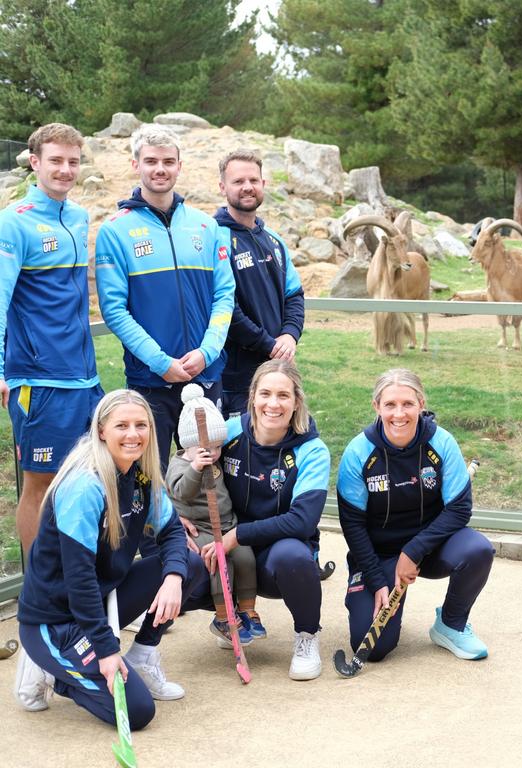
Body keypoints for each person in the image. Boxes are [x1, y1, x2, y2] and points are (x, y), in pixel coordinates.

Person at [13, 389, 205, 728]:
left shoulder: (142, 475)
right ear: (101, 430)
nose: (133, 435)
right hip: (56, 621)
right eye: (122, 426)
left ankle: (143, 654)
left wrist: (173, 579)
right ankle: (51, 671)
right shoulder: (85, 485)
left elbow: (174, 531)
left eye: (141, 425)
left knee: (190, 563)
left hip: (99, 601)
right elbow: (79, 579)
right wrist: (105, 650)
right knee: (138, 712)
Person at [95, 125, 235, 470]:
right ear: (136, 164)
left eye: (168, 161)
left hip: (206, 373)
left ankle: (196, 527)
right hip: (151, 380)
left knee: (207, 477)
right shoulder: (115, 230)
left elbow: (225, 294)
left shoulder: (206, 226)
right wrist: (160, 362)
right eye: (151, 161)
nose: (160, 168)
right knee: (149, 476)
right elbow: (114, 310)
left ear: (179, 166)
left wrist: (207, 352)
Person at [186, 359, 330, 680]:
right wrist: (178, 510)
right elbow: (185, 468)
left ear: (296, 403)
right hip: (233, 554)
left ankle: (307, 636)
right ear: (252, 396)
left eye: (283, 396)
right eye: (265, 393)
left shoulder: (312, 450)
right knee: (185, 562)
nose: (273, 404)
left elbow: (302, 522)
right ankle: (229, 618)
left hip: (276, 557)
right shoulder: (230, 431)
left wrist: (236, 536)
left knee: (293, 556)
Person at [337, 368, 493, 662]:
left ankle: (451, 623)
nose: (399, 414)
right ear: (376, 406)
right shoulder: (358, 452)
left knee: (477, 550)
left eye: (408, 404)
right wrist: (376, 579)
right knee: (373, 648)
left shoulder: (442, 442)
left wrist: (413, 550)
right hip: (379, 555)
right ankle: (364, 593)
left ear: (421, 403)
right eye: (390, 405)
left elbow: (459, 508)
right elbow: (353, 525)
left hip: (429, 549)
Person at [0, 122, 103, 553]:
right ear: (35, 162)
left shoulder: (78, 217)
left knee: (88, 480)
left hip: (85, 378)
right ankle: (38, 598)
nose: (65, 170)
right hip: (39, 381)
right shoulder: (13, 223)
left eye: (72, 162)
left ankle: (79, 585)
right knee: (40, 486)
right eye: (56, 161)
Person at [165, 383, 261, 648]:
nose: (215, 453)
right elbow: (181, 492)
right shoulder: (180, 463)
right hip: (202, 527)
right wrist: (196, 467)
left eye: (219, 447)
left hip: (228, 523)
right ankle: (223, 617)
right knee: (219, 561)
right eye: (209, 448)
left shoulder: (215, 458)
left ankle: (248, 609)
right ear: (189, 444)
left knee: (244, 556)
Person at [214, 149, 304, 419]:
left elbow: (294, 295)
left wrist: (289, 335)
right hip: (235, 378)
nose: (247, 187)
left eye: (253, 180)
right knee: (238, 453)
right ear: (222, 187)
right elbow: (225, 307)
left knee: (279, 448)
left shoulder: (274, 239)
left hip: (280, 370)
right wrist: (268, 344)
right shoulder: (213, 237)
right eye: (238, 181)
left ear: (263, 184)